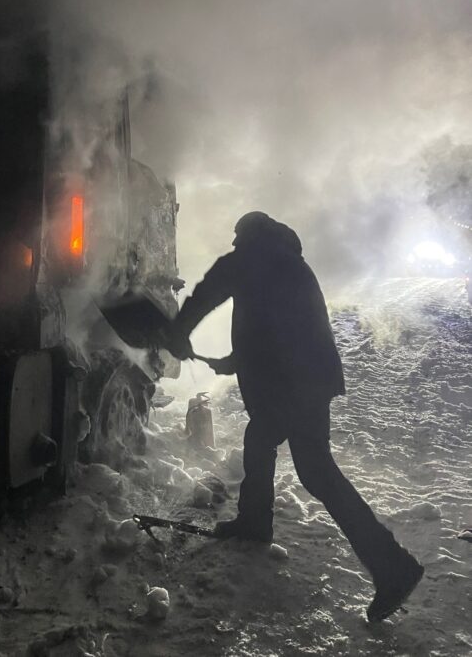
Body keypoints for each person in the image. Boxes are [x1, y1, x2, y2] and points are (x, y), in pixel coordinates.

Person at [167, 211, 423, 622]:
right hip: (305, 380)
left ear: (247, 237)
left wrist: (178, 332)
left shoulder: (254, 255)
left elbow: (207, 291)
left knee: (315, 471)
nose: (235, 247)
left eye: (238, 240)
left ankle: (394, 567)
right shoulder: (289, 262)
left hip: (294, 383)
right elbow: (275, 328)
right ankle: (255, 521)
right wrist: (236, 360)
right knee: (265, 442)